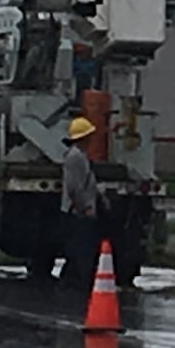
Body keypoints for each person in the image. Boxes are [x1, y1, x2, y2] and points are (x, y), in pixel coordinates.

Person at [60, 117, 103, 289]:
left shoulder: (79, 156)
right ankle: (78, 280)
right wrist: (85, 207)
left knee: (77, 247)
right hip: (76, 211)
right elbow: (75, 186)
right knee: (80, 246)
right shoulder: (75, 157)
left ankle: (71, 279)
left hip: (77, 209)